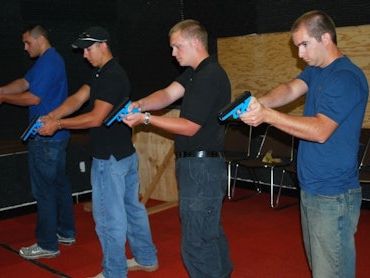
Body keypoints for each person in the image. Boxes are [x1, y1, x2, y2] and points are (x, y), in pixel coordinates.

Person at [239, 10, 368, 278]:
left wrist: (268, 116)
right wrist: (260, 103)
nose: (300, 53)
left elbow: (321, 130)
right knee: (320, 268)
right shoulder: (317, 70)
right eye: (297, 46)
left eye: (304, 44)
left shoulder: (345, 77)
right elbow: (290, 89)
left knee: (331, 272)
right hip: (312, 187)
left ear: (326, 38)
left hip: (333, 193)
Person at [37, 26, 158, 278]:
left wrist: (58, 125)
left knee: (108, 219)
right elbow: (78, 99)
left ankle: (114, 272)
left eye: (88, 49)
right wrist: (51, 116)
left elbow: (96, 118)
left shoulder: (113, 76)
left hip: (109, 158)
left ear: (103, 45)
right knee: (132, 209)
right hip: (123, 154)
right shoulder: (101, 74)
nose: (85, 55)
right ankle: (146, 258)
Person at [123, 19, 233, 278]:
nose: (173, 53)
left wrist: (146, 119)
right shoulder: (194, 72)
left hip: (202, 167)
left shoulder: (210, 75)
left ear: (195, 42)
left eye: (177, 46)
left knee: (196, 242)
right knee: (209, 232)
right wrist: (140, 104)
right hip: (198, 167)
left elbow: (189, 126)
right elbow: (167, 94)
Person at [0, 24, 76, 259]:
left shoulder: (50, 61)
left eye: (28, 43)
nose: (25, 48)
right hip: (56, 137)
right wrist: (0, 89)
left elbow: (33, 97)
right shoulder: (46, 61)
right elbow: (25, 83)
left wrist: (2, 98)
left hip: (45, 137)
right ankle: (65, 232)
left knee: (44, 191)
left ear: (40, 39)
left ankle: (47, 244)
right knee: (59, 186)